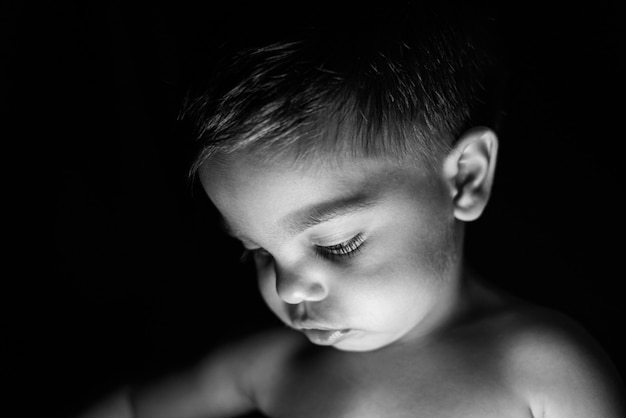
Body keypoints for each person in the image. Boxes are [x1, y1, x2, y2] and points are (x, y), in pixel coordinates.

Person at [77, 2, 625, 417]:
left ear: (464, 177)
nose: (288, 290)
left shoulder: (542, 370)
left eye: (336, 245)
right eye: (257, 253)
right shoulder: (276, 365)